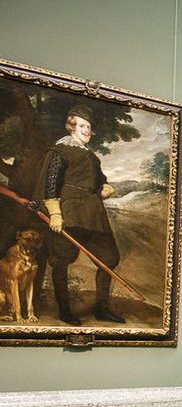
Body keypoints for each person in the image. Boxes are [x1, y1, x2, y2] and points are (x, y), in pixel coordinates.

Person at [35, 105, 123, 325]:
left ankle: (101, 309)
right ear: (71, 127)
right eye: (82, 126)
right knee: (62, 259)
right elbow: (51, 184)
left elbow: (100, 180)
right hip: (69, 214)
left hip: (93, 214)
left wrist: (104, 188)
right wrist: (55, 213)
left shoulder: (91, 157)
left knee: (109, 258)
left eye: (89, 127)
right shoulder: (59, 152)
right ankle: (64, 311)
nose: (86, 131)